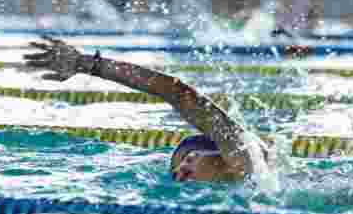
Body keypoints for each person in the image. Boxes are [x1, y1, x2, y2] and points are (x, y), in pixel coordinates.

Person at [25, 37, 269, 183]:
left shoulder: (242, 158)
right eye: (176, 170)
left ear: (220, 153)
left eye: (189, 159)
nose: (181, 172)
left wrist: (88, 64)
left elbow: (177, 92)